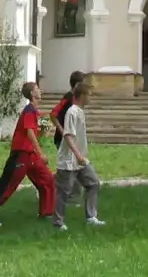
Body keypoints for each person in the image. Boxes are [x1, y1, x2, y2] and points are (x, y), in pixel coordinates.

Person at [0, 81, 55, 227]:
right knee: (9, 185)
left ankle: (46, 213)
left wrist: (45, 129)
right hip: (21, 154)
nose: (40, 91)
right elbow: (30, 133)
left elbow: (36, 133)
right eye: (37, 89)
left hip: (31, 155)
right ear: (32, 94)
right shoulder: (29, 111)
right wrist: (41, 153)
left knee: (47, 180)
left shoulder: (35, 112)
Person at [52, 82, 104, 231]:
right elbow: (68, 136)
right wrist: (78, 155)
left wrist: (81, 157)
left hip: (80, 160)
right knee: (64, 192)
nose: (90, 99)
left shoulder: (79, 112)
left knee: (93, 183)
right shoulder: (71, 112)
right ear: (81, 96)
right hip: (69, 160)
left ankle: (91, 217)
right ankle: (58, 223)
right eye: (89, 96)